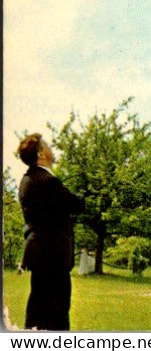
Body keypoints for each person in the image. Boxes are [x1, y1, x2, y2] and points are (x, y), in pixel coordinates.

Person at [16, 133, 84, 331]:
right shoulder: (47, 182)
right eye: (46, 145)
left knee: (38, 313)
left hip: (40, 255)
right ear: (41, 154)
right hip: (52, 256)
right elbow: (76, 204)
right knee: (56, 316)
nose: (51, 148)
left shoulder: (27, 180)